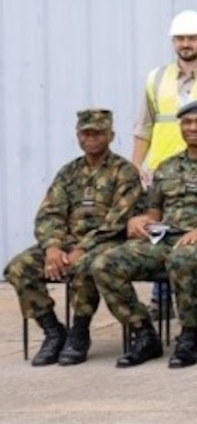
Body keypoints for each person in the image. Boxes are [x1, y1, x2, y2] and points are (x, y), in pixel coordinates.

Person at [80, 100, 197, 368]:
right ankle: (143, 333)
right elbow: (154, 211)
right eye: (187, 122)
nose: (193, 127)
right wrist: (141, 221)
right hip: (167, 237)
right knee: (105, 263)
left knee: (182, 259)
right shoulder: (167, 166)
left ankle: (189, 337)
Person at [6, 110, 142, 366]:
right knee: (18, 267)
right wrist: (52, 247)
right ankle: (53, 332)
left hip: (106, 242)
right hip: (64, 242)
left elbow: (118, 220)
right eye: (86, 133)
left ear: (111, 135)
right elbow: (49, 213)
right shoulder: (69, 172)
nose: (91, 138)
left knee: (83, 266)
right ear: (78, 136)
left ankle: (79, 332)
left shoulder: (123, 171)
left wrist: (82, 248)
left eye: (98, 133)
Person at [132, 9, 197, 181]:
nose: (186, 44)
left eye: (192, 38)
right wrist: (136, 166)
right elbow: (144, 127)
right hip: (162, 172)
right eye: (180, 39)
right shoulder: (156, 78)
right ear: (173, 41)